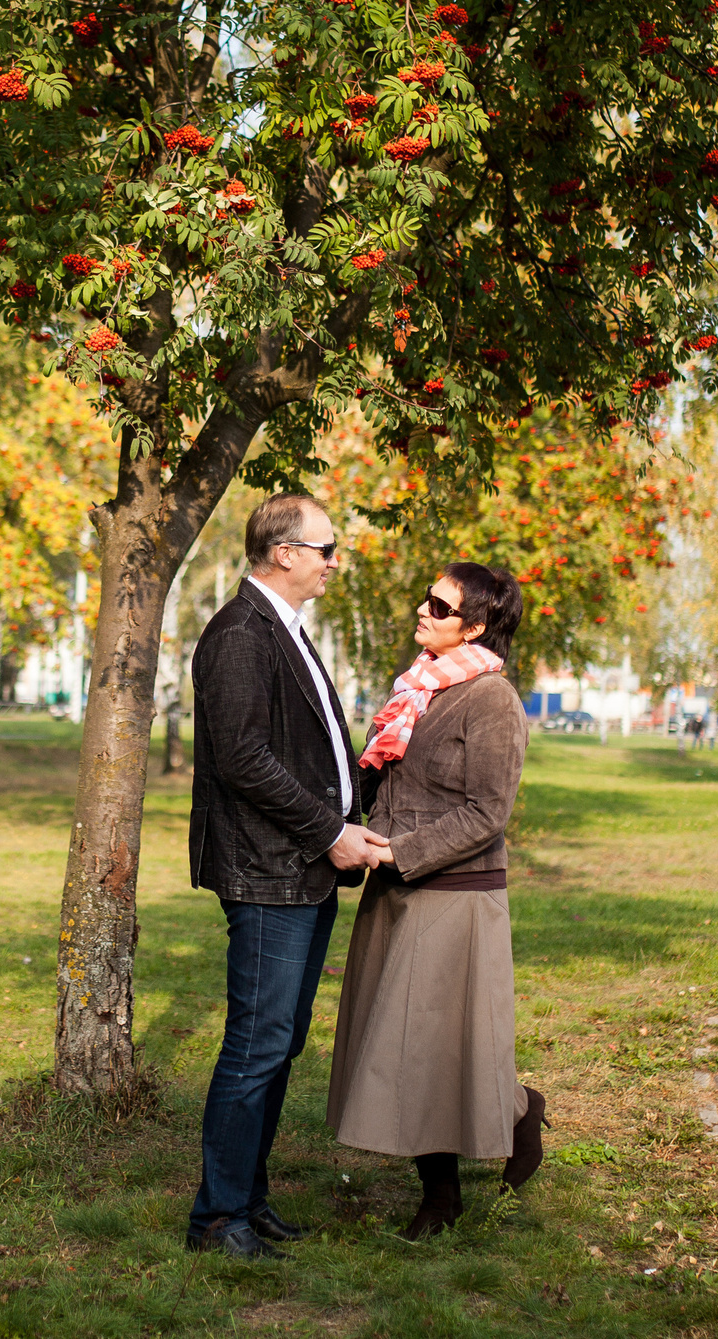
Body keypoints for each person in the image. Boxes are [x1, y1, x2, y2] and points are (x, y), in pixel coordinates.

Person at [185, 492, 392, 1261]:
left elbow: (307, 752)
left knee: (279, 1043)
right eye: (325, 547)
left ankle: (246, 1198)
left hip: (301, 870)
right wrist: (328, 831)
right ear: (283, 552)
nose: (334, 560)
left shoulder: (284, 629)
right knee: (256, 1045)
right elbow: (241, 758)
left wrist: (363, 796)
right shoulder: (240, 633)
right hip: (269, 872)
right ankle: (215, 1222)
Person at [326, 561, 545, 1240]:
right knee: (411, 1044)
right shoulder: (419, 688)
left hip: (453, 896)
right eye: (426, 599)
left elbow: (487, 812)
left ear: (476, 626)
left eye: (440, 606)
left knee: (432, 1048)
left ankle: (453, 1185)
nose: (423, 611)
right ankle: (500, 1126)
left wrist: (401, 851)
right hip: (397, 890)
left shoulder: (491, 700)